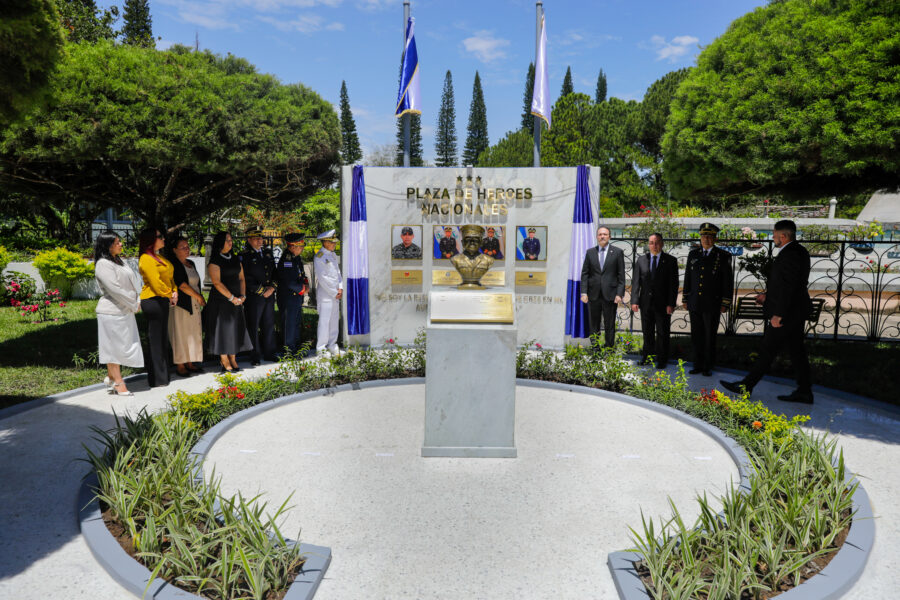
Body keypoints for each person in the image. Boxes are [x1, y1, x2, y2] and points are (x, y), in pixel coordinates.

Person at [721, 220, 814, 403]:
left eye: (775, 234)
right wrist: (767, 295)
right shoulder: (798, 251)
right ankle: (804, 390)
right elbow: (786, 285)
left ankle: (746, 385)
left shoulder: (790, 254)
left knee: (768, 350)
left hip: (787, 313)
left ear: (783, 236)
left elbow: (788, 287)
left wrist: (778, 314)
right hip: (794, 311)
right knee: (796, 351)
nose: (773, 238)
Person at [94, 231, 143, 396]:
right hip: (111, 311)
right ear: (107, 246)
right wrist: (134, 303)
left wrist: (136, 299)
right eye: (117, 242)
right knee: (113, 348)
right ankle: (118, 382)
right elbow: (114, 289)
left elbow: (130, 283)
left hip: (124, 310)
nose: (121, 244)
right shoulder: (103, 264)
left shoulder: (119, 261)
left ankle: (111, 377)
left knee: (124, 346)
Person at [682, 222, 733, 377]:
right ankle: (697, 364)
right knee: (696, 335)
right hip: (695, 302)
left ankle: (708, 366)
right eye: (704, 236)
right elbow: (688, 278)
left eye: (710, 237)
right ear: (700, 238)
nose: (706, 239)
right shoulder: (693, 254)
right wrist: (685, 297)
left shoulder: (723, 256)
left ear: (715, 239)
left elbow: (727, 281)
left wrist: (725, 302)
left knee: (709, 336)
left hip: (712, 302)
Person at [204, 231, 252, 372]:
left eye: (231, 240)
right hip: (221, 301)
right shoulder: (215, 261)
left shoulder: (236, 258)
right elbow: (217, 283)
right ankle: (224, 359)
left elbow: (242, 278)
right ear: (220, 243)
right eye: (227, 240)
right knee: (222, 331)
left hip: (237, 300)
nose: (230, 242)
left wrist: (243, 296)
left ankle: (233, 357)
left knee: (234, 329)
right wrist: (231, 298)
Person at [630, 233, 679, 368]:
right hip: (646, 303)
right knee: (647, 332)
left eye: (657, 242)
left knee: (663, 333)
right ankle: (648, 357)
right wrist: (634, 300)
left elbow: (673, 285)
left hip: (663, 304)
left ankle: (662, 359)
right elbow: (636, 283)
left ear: (662, 244)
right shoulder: (641, 260)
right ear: (648, 244)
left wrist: (671, 303)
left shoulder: (670, 261)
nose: (654, 245)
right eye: (651, 242)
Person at [138, 228, 177, 388]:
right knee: (155, 340)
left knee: (162, 339)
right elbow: (155, 282)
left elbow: (170, 278)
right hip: (152, 300)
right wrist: (170, 294)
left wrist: (174, 291)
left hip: (163, 299)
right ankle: (157, 378)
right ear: (150, 240)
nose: (163, 239)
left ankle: (163, 376)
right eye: (160, 236)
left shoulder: (160, 257)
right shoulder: (146, 259)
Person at [580, 226, 626, 348]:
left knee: (609, 324)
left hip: (610, 295)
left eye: (605, 234)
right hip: (593, 295)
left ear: (609, 237)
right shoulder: (590, 252)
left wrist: (619, 294)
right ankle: (595, 349)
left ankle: (609, 349)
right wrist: (584, 293)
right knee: (594, 324)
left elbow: (621, 275)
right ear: (597, 237)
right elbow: (585, 273)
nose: (602, 236)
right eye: (600, 234)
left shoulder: (617, 252)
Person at [239, 227, 277, 365]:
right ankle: (254, 355)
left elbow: (274, 272)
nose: (260, 241)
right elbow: (245, 278)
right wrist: (262, 291)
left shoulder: (267, 253)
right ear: (249, 240)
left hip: (269, 295)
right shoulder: (245, 255)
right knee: (253, 325)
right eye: (256, 238)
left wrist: (272, 288)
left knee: (268, 324)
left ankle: (269, 352)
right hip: (255, 296)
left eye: (261, 238)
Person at [168, 236, 205, 376]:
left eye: (188, 246)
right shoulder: (174, 264)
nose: (187, 249)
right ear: (175, 250)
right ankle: (180, 365)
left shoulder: (191, 263)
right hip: (182, 305)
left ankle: (190, 361)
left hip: (194, 303)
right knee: (180, 334)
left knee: (192, 333)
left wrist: (197, 298)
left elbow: (195, 283)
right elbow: (182, 285)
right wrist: (199, 297)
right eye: (183, 247)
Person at [276, 232, 310, 354]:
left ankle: (295, 347)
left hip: (296, 297)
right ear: (292, 246)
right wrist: (302, 289)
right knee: (289, 325)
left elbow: (302, 274)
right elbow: (289, 282)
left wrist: (306, 284)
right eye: (300, 246)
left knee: (295, 323)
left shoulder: (296, 258)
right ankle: (288, 350)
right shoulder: (287, 260)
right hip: (288, 298)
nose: (302, 248)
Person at [313, 230, 343, 355]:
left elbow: (338, 273)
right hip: (326, 294)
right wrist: (333, 292)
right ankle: (321, 348)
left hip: (336, 293)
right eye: (332, 242)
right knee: (324, 321)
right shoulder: (319, 256)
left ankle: (332, 345)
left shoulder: (333, 255)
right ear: (325, 242)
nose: (334, 244)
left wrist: (340, 287)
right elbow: (322, 278)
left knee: (334, 320)